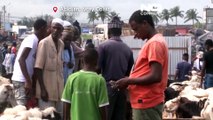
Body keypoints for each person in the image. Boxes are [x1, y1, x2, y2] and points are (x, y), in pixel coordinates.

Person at [115, 10, 168, 120]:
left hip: (146, 101)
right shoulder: (154, 42)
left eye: (136, 29)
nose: (136, 34)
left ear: (145, 23)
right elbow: (147, 72)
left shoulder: (154, 43)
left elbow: (156, 76)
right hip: (145, 101)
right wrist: (129, 79)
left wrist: (129, 81)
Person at [98, 16, 134, 120]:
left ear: (109, 32)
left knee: (106, 116)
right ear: (120, 32)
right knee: (120, 116)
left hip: (108, 87)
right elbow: (129, 71)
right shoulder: (127, 49)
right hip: (122, 88)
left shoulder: (103, 46)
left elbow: (97, 69)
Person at [61, 48, 109, 120]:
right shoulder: (100, 80)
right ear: (96, 62)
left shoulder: (72, 78)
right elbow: (102, 106)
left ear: (82, 61)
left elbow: (66, 103)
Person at [11, 19, 47, 106]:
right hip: (21, 80)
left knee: (26, 108)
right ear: (42, 29)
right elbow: (21, 59)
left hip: (24, 79)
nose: (46, 32)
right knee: (21, 109)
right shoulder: (32, 40)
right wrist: (28, 80)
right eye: (46, 29)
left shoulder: (35, 40)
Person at [34, 18, 64, 114]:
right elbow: (38, 68)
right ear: (50, 28)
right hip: (46, 92)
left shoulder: (61, 44)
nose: (56, 30)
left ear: (62, 30)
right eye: (54, 28)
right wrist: (43, 89)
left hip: (59, 91)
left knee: (59, 116)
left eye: (58, 28)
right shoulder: (44, 43)